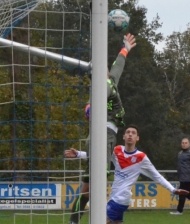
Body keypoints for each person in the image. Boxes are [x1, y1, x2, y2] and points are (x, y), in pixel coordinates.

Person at [64, 33, 137, 224]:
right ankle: (107, 221)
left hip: (97, 136)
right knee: (100, 186)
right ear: (96, 73)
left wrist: (126, 48)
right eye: (102, 67)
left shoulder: (110, 80)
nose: (106, 68)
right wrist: (90, 109)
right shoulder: (102, 85)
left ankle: (73, 221)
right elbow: (91, 104)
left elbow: (118, 65)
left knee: (87, 189)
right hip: (104, 135)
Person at [107, 124, 189, 224]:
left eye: (133, 133)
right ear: (123, 136)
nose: (130, 135)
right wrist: (81, 154)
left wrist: (173, 189)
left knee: (100, 220)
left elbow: (157, 176)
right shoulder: (117, 150)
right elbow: (97, 155)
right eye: (128, 132)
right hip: (114, 196)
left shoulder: (141, 158)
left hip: (121, 198)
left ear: (137, 138)